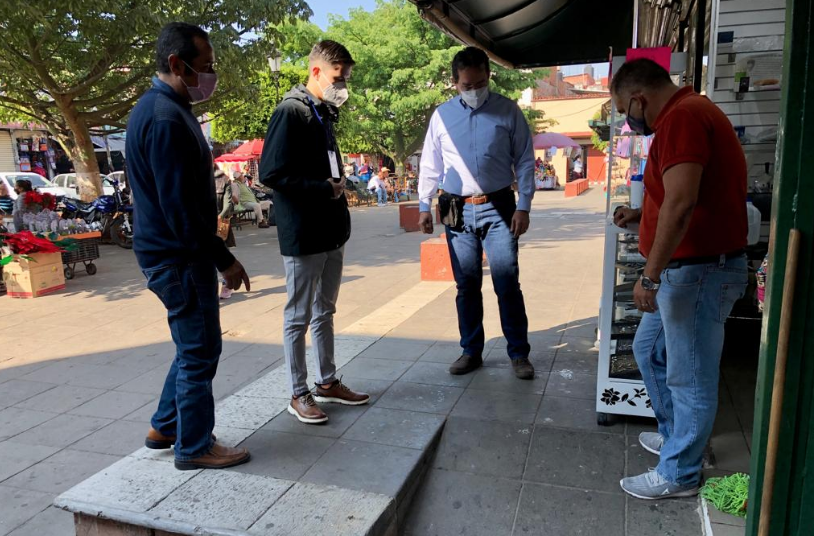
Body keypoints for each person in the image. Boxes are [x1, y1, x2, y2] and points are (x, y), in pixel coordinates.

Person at [611, 59, 749, 500]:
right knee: (648, 350)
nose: (629, 121)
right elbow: (678, 195)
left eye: (625, 111)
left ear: (639, 98)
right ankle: (678, 439)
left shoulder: (683, 119)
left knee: (688, 376)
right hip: (689, 271)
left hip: (698, 272)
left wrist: (649, 277)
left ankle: (681, 472)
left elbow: (682, 203)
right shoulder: (688, 113)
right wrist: (641, 215)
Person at [125, 22, 251, 470]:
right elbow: (180, 210)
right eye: (206, 66)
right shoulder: (165, 118)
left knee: (190, 345)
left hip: (171, 253)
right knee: (200, 351)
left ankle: (166, 425)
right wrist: (224, 260)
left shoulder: (163, 109)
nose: (210, 76)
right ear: (177, 64)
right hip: (179, 257)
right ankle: (194, 445)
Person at [259, 40, 369, 425]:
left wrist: (335, 186)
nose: (343, 86)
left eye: (346, 78)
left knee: (325, 310)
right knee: (298, 316)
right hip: (304, 233)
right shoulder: (291, 111)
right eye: (339, 77)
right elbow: (271, 174)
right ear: (317, 71)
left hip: (331, 230)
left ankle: (327, 381)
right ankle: (298, 392)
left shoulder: (322, 111)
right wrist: (323, 187)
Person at [418, 46, 535, 380]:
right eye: (467, 86)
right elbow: (430, 163)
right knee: (466, 285)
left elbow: (525, 160)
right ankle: (471, 351)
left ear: (488, 76)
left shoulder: (508, 111)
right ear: (455, 82)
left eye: (480, 84)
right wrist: (424, 204)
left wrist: (524, 205)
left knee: (507, 283)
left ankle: (519, 353)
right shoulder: (442, 116)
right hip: (457, 210)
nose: (474, 91)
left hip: (500, 208)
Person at [215, 168, 238, 300]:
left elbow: (227, 204)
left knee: (223, 254)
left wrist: (219, 217)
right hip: (201, 223)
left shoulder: (223, 180)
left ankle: (227, 284)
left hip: (219, 223)